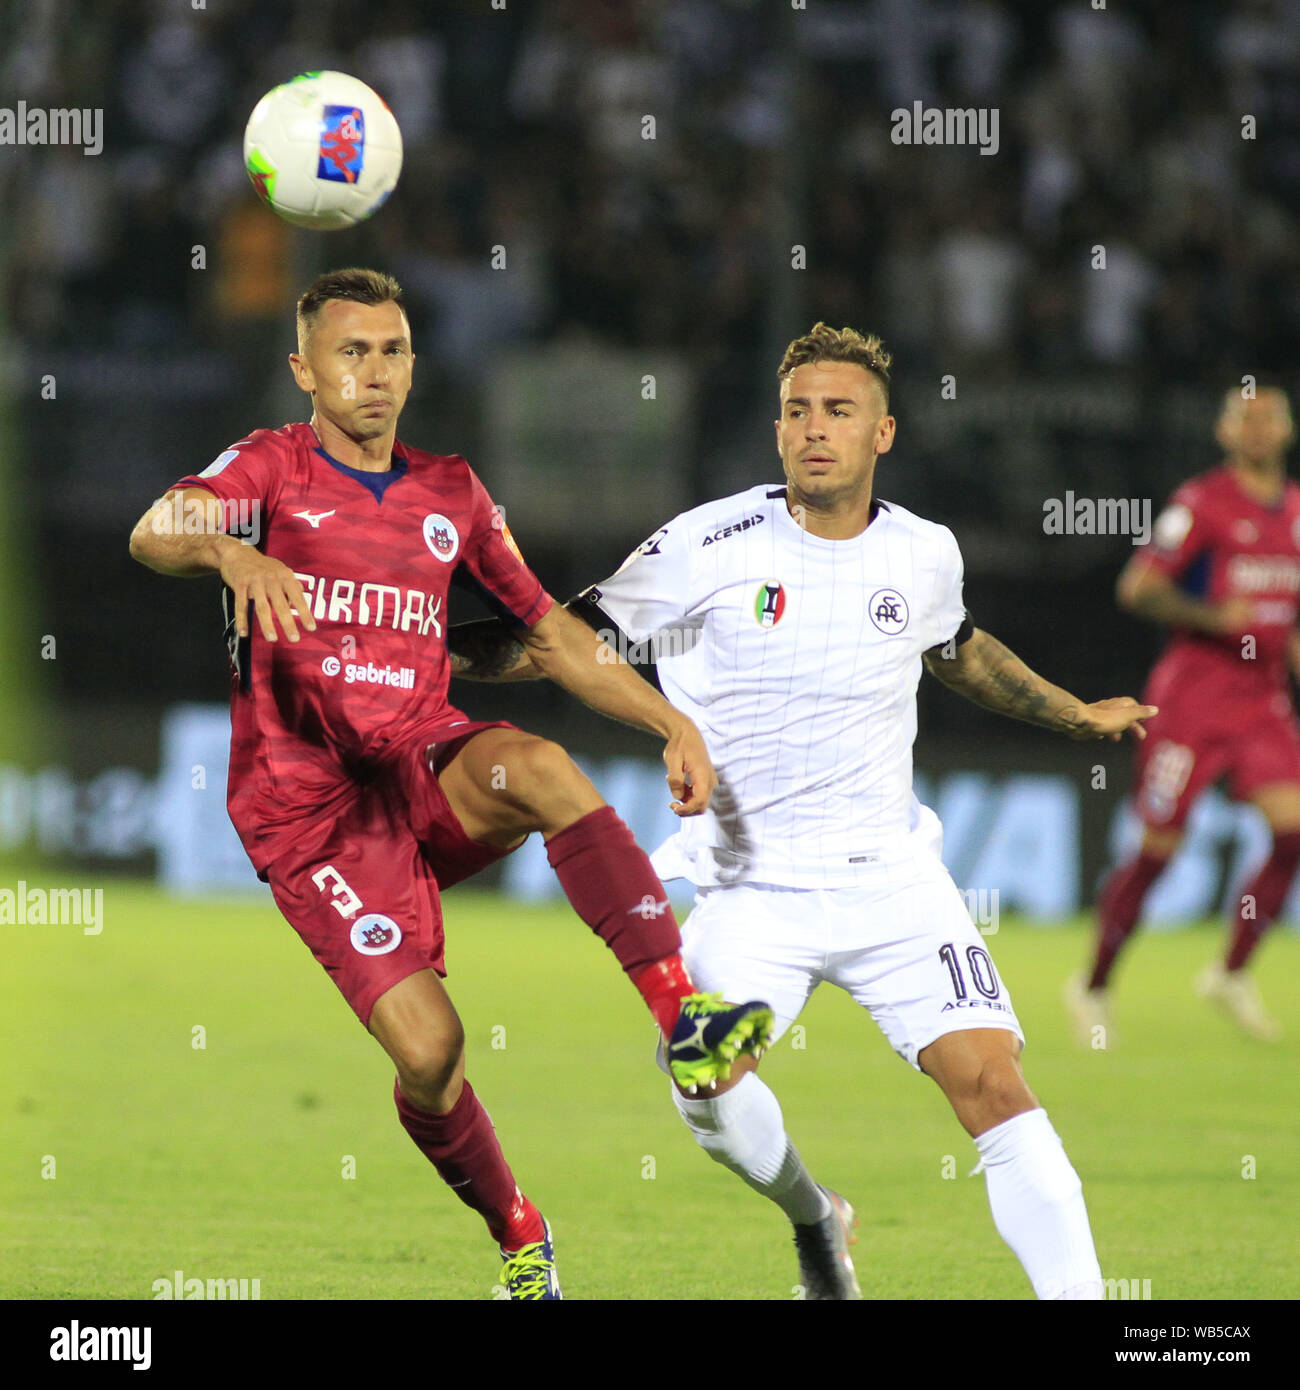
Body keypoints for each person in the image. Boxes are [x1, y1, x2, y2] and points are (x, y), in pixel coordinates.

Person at [448, 322, 1157, 1299]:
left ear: (883, 434)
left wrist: (1073, 711)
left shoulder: (924, 553)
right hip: (747, 889)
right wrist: (422, 641)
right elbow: (558, 642)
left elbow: (957, 651)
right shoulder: (706, 542)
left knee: (994, 1084)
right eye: (795, 411)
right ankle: (815, 1214)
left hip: (893, 881)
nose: (813, 429)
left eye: (838, 410)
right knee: (702, 1085)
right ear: (776, 430)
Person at [127, 267, 774, 1302]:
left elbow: (552, 633)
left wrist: (668, 719)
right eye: (349, 351)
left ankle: (684, 1017)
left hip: (424, 760)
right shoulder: (271, 468)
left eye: (390, 351)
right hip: (311, 819)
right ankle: (519, 1228)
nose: (372, 372)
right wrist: (229, 556)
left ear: (414, 365)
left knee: (544, 766)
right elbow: (153, 527)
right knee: (432, 1054)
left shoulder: (452, 493)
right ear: (303, 369)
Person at [1071, 384, 1300, 1045]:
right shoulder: (1201, 504)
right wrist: (1210, 616)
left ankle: (1230, 973)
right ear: (1225, 432)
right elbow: (1138, 587)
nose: (1258, 429)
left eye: (1269, 418)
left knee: (1293, 832)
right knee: (1158, 853)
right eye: (1245, 418)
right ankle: (1093, 984)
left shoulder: (1293, 512)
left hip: (1261, 702)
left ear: (1286, 430)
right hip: (1192, 703)